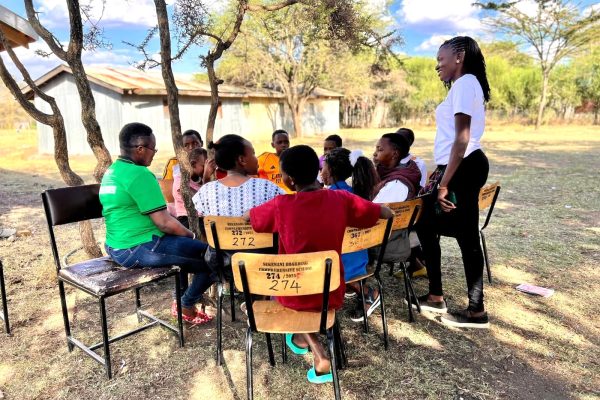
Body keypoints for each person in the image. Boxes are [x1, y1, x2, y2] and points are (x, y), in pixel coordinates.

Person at [248, 145, 393, 384]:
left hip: (293, 292)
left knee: (279, 292)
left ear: (290, 180)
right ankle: (304, 341)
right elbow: (382, 212)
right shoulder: (342, 199)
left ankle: (316, 350)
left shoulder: (281, 204)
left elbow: (252, 219)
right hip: (331, 292)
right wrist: (388, 212)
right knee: (301, 294)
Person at [100, 123, 214, 325]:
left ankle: (181, 303)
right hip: (138, 247)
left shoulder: (113, 171)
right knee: (215, 258)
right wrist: (192, 236)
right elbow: (165, 223)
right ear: (140, 149)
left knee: (187, 256)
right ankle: (185, 304)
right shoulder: (140, 175)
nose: (154, 154)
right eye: (153, 149)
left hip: (115, 245)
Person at [415, 36, 491, 329]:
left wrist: (444, 183)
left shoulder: (464, 83)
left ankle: (472, 310)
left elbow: (462, 138)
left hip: (463, 167)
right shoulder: (468, 84)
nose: (437, 66)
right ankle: (442, 298)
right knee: (451, 230)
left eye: (440, 59)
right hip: (462, 166)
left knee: (454, 232)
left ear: (458, 55)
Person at [192, 134, 284, 272]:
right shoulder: (268, 188)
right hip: (262, 261)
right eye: (253, 153)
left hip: (222, 262)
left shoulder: (206, 191)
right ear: (241, 159)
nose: (256, 158)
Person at [321, 147, 382, 322]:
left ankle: (367, 292)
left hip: (339, 266)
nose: (321, 171)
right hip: (359, 260)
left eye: (323, 167)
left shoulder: (328, 198)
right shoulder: (357, 193)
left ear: (330, 171)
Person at [371, 133, 422, 271]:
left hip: (387, 242)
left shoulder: (397, 184)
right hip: (393, 235)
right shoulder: (403, 170)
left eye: (380, 150)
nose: (375, 154)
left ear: (394, 154)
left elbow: (371, 212)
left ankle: (355, 282)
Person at [395, 127, 428, 278]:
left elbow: (419, 190)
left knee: (402, 226)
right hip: (398, 206)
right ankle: (420, 260)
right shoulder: (391, 158)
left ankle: (417, 263)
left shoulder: (416, 163)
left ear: (409, 143)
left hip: (410, 208)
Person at [172, 148, 208, 229]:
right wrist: (206, 180)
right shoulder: (181, 180)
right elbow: (199, 202)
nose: (207, 169)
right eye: (204, 166)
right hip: (187, 219)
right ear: (193, 164)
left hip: (203, 219)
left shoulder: (200, 179)